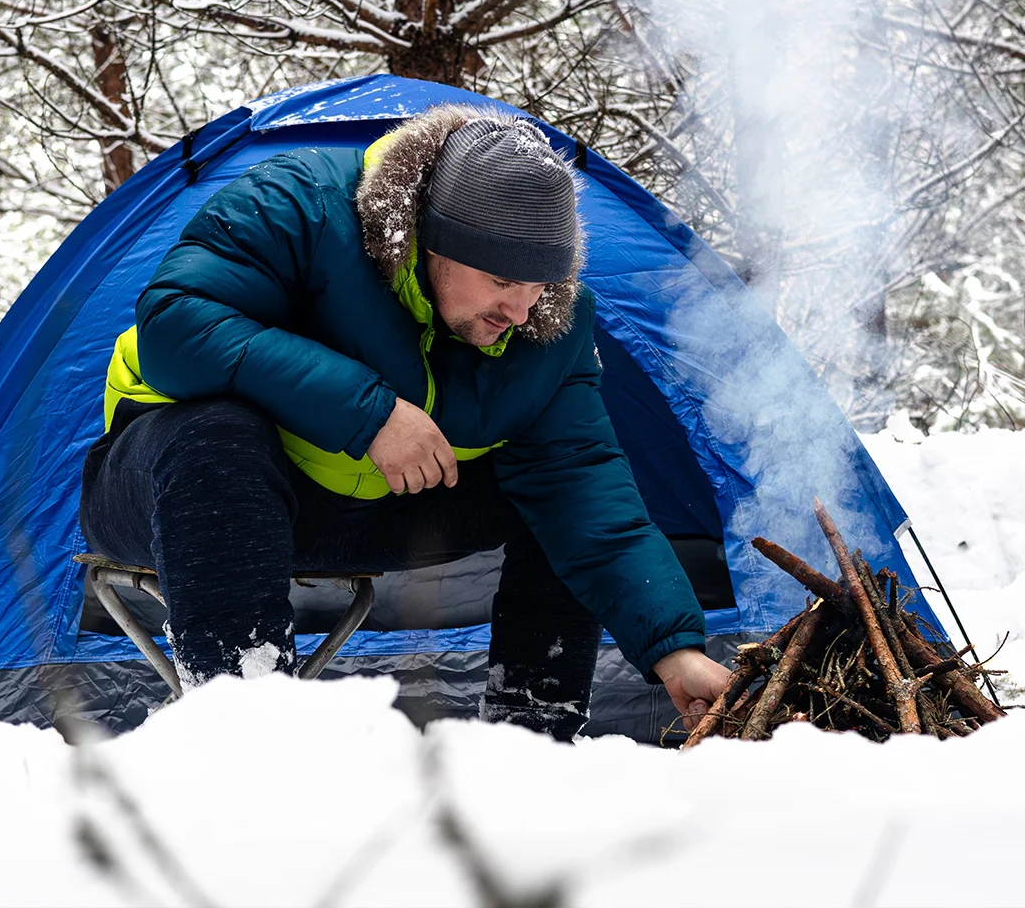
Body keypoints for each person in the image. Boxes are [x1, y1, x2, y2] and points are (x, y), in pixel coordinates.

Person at [79, 104, 731, 740]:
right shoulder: (300, 203)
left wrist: (673, 646)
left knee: (556, 497)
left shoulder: (547, 323)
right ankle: (248, 737)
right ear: (433, 240)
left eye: (541, 283)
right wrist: (371, 413)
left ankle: (532, 743)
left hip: (377, 510)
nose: (522, 308)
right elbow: (174, 325)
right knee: (217, 433)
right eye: (502, 278)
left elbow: (585, 488)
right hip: (178, 491)